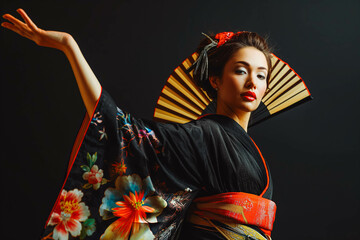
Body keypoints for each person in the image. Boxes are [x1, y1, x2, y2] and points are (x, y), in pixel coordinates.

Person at [2, 9, 276, 240]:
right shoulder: (203, 136)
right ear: (215, 80)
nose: (252, 81)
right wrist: (68, 46)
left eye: (261, 75)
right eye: (241, 70)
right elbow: (122, 129)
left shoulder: (247, 146)